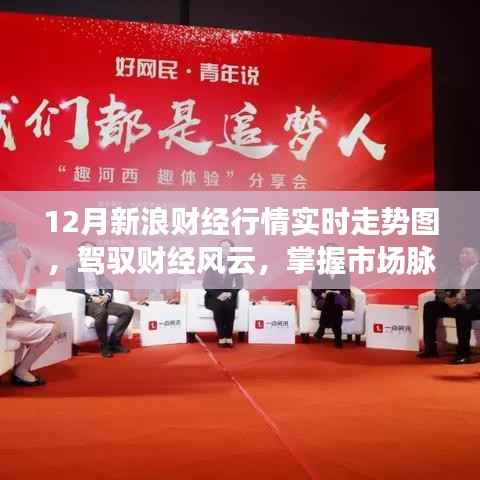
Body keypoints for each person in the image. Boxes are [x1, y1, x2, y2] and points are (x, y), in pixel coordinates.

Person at [0, 221, 60, 387]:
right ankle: (21, 371)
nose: (18, 241)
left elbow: (7, 298)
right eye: (15, 237)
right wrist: (29, 266)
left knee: (44, 322)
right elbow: (20, 293)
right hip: (2, 325)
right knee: (53, 329)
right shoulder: (1, 262)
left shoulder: (4, 260)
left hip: (6, 319)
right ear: (6, 239)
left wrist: (27, 314)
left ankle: (18, 369)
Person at [65, 241, 134, 358]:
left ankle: (114, 343)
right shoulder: (71, 270)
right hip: (86, 303)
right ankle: (104, 345)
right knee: (101, 312)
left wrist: (106, 296)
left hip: (101, 300)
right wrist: (92, 298)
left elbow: (108, 284)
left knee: (127, 310)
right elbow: (72, 289)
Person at [417, 246, 480, 364]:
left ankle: (463, 354)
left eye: (466, 253)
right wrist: (447, 300)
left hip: (474, 306)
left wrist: (464, 300)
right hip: (455, 304)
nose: (462, 255)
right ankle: (430, 349)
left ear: (476, 256)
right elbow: (439, 289)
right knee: (430, 306)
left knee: (463, 309)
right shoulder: (454, 271)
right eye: (461, 253)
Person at [203, 239, 243, 348]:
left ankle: (229, 337)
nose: (224, 250)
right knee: (219, 305)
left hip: (228, 294)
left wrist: (230, 293)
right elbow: (206, 284)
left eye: (227, 247)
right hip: (214, 296)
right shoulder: (212, 263)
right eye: (222, 247)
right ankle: (221, 337)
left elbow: (239, 283)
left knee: (230, 306)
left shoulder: (235, 264)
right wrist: (218, 295)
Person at [311, 245, 352, 348]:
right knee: (333, 302)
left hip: (340, 299)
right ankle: (338, 337)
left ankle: (321, 328)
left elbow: (346, 289)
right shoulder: (319, 269)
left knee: (333, 298)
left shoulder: (344, 270)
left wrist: (338, 293)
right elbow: (314, 288)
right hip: (323, 299)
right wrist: (322, 294)